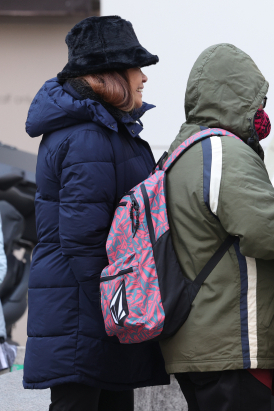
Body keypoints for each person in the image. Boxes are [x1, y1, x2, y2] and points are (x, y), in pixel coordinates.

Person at [24, 16, 169, 410]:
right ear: (111, 75)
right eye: (136, 67)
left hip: (97, 314)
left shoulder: (109, 129)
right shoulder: (88, 136)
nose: (143, 78)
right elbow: (83, 238)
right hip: (86, 317)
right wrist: (122, 308)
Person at [159, 43, 274, 411]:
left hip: (200, 337)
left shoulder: (180, 152)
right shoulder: (223, 152)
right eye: (257, 101)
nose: (262, 111)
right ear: (235, 96)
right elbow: (269, 232)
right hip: (231, 341)